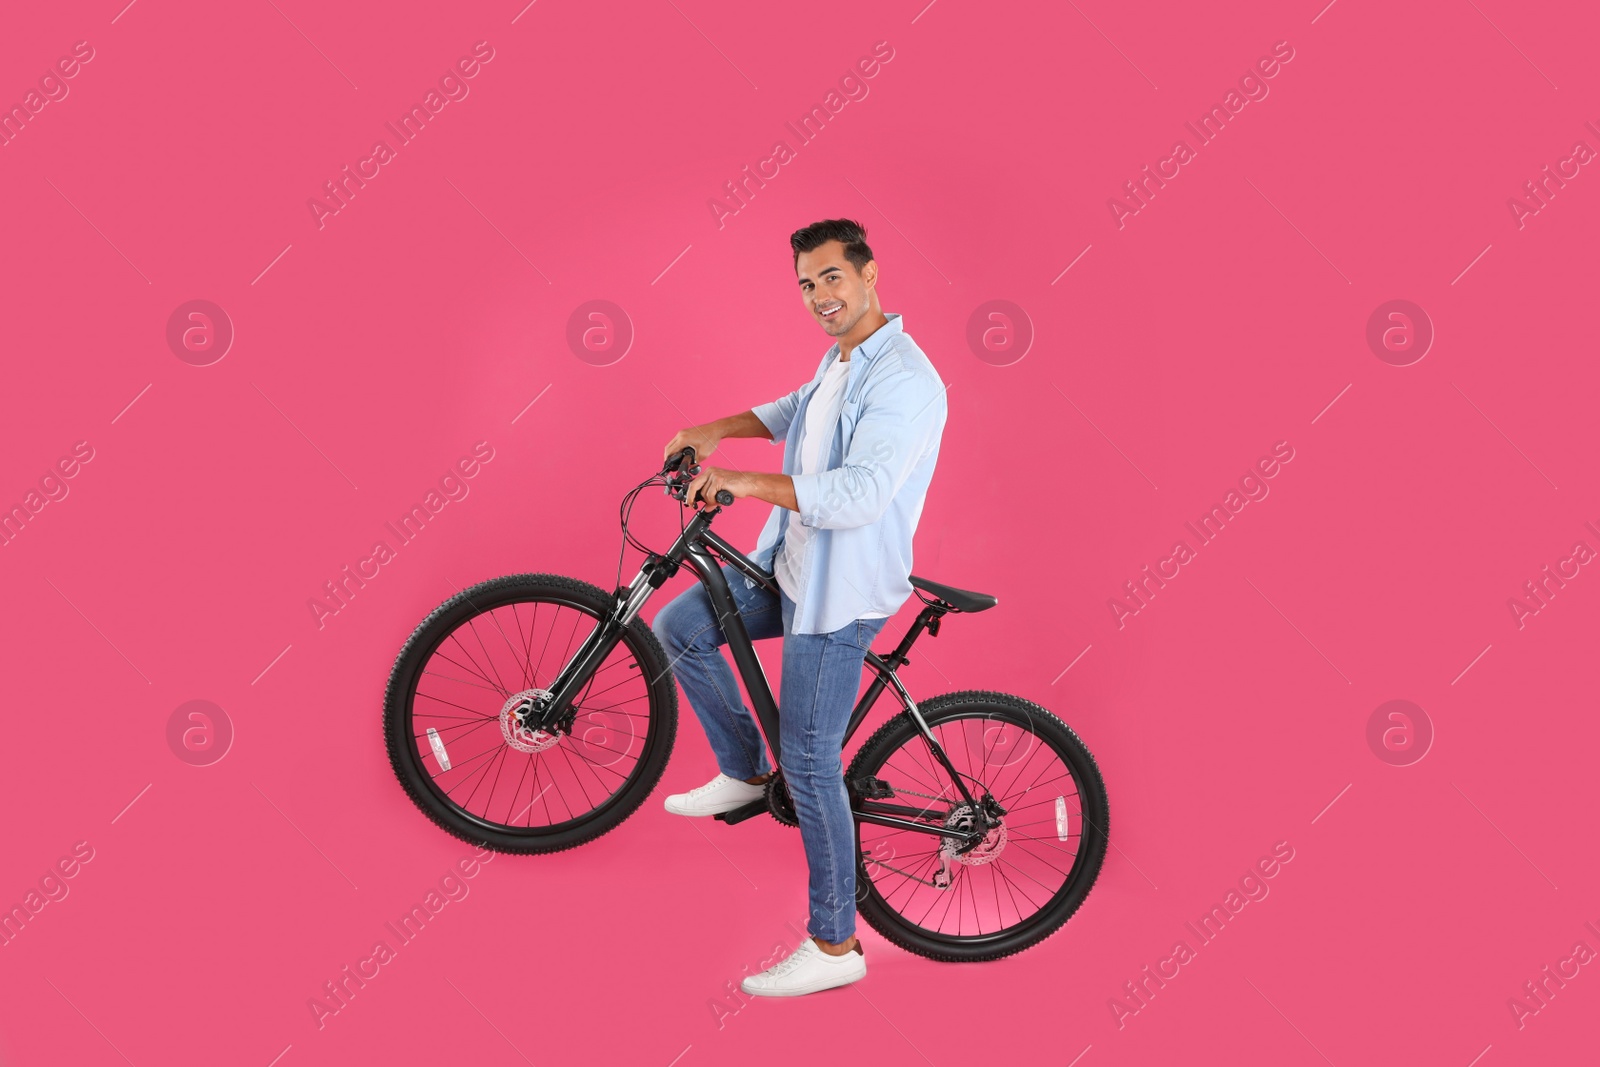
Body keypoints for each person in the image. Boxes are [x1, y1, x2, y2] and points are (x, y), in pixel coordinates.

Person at [651, 218, 948, 997]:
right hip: (792, 565)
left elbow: (858, 493)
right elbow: (795, 409)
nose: (820, 296)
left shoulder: (906, 380)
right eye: (807, 285)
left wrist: (744, 482)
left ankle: (836, 942)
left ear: (870, 272)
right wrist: (715, 429)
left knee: (812, 760)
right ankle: (747, 770)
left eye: (832, 278)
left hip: (841, 590)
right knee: (679, 625)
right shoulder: (844, 357)